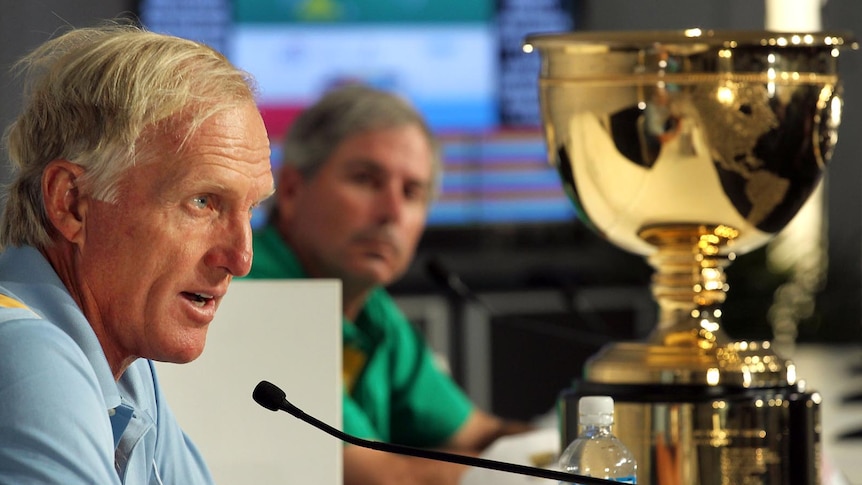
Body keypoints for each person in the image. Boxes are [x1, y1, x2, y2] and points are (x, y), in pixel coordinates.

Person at [0, 23, 274, 484]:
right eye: (203, 202)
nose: (240, 258)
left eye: (249, 209)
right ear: (71, 202)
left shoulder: (126, 367)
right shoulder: (25, 354)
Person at [246, 84, 531, 485]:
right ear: (291, 191)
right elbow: (379, 478)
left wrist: (571, 445)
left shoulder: (371, 311)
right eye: (366, 180)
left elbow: (481, 434)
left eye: (412, 192)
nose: (392, 212)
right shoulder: (251, 293)